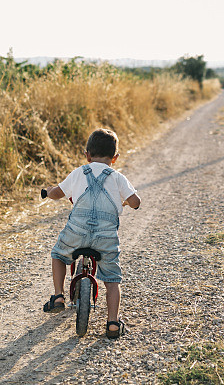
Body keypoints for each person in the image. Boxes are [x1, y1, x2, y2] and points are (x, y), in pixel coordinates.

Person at [41, 128, 141, 339]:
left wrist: (49, 191)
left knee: (59, 254)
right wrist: (126, 201)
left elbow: (57, 193)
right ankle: (113, 323)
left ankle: (58, 296)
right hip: (105, 238)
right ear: (115, 158)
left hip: (76, 232)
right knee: (112, 279)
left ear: (86, 154)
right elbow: (136, 202)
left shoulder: (79, 172)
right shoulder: (117, 177)